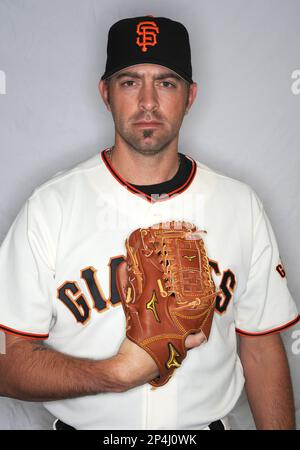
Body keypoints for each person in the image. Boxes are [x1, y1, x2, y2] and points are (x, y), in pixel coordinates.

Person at [0, 15, 299, 431]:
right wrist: (115, 373)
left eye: (166, 82)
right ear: (105, 93)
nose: (147, 102)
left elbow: (262, 346)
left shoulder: (240, 205)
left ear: (190, 95)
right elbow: (6, 363)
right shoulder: (51, 207)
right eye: (129, 82)